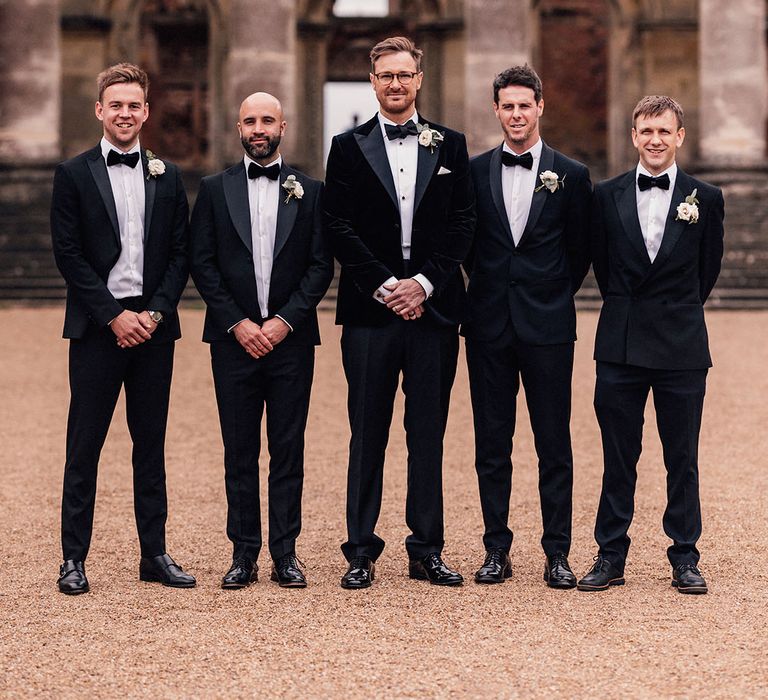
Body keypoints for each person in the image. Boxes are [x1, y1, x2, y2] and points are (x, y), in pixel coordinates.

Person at [324, 36, 475, 589]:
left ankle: (426, 548)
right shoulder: (346, 147)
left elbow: (463, 224)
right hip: (370, 312)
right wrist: (388, 284)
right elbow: (336, 224)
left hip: (433, 313)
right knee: (366, 432)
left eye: (404, 75)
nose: (394, 84)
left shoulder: (451, 146)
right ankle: (360, 550)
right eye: (385, 75)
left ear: (418, 80)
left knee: (427, 433)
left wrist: (426, 283)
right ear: (373, 81)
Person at [51, 63, 194, 594]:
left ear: (146, 112)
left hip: (154, 328)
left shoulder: (170, 175)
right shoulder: (72, 174)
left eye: (134, 105)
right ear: (99, 110)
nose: (126, 114)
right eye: (116, 105)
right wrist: (112, 314)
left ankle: (153, 554)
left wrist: (153, 313)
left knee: (149, 444)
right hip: (97, 326)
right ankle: (73, 559)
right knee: (84, 444)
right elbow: (68, 255)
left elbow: (181, 254)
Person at [577, 95, 724, 594]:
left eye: (664, 131)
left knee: (681, 457)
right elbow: (599, 262)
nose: (654, 140)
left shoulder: (707, 198)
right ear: (633, 136)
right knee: (619, 456)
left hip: (681, 345)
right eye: (645, 131)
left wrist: (675, 309)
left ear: (679, 136)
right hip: (620, 343)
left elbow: (707, 271)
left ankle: (685, 556)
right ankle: (610, 554)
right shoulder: (606, 195)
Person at [190, 92, 332, 590]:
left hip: (290, 341)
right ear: (238, 127)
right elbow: (201, 263)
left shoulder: (311, 191)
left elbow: (320, 265)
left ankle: (286, 554)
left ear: (283, 126)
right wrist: (238, 323)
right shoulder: (213, 189)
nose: (258, 128)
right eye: (249, 119)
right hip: (233, 342)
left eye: (266, 120)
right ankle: (243, 553)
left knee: (288, 449)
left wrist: (284, 321)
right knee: (239, 449)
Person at [463, 65, 592, 587]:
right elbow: (467, 245)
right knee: (491, 445)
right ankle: (497, 550)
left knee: (552, 443)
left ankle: (556, 554)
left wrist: (550, 291)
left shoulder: (573, 175)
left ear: (541, 107)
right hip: (489, 324)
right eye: (507, 106)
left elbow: (582, 250)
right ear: (495, 110)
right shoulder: (472, 173)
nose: (516, 114)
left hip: (548, 326)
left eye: (524, 105)